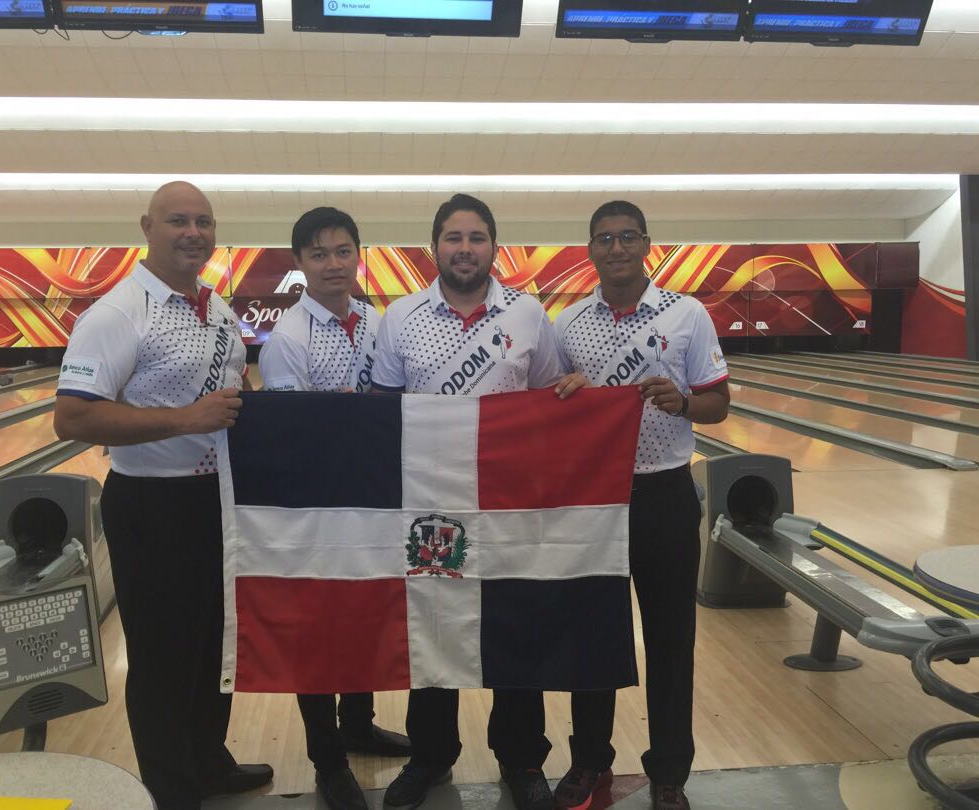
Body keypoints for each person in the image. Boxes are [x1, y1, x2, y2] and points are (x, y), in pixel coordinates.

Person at [53, 180, 273, 810]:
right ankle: (172, 791)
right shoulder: (118, 314)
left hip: (217, 503)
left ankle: (207, 763)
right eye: (178, 220)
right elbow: (72, 418)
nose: (193, 233)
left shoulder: (216, 307)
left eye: (203, 221)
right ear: (146, 226)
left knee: (213, 644)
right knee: (162, 657)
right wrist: (184, 418)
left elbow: (232, 396)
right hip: (153, 506)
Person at [371, 194, 574, 810]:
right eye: (454, 237)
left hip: (508, 504)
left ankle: (521, 759)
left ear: (494, 245)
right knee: (432, 630)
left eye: (477, 237)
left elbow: (550, 401)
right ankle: (430, 754)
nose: (465, 248)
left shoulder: (529, 314)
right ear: (435, 245)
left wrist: (581, 396)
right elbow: (383, 412)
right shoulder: (402, 315)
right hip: (431, 507)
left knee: (515, 626)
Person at [552, 200, 730, 810]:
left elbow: (718, 403)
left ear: (646, 244)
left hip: (665, 494)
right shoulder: (569, 323)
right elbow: (550, 408)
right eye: (605, 238)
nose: (617, 247)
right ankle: (589, 762)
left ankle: (670, 772)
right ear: (591, 250)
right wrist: (568, 394)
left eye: (628, 237)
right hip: (594, 501)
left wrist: (681, 403)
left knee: (671, 639)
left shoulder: (687, 315)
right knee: (593, 637)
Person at [258, 206, 412, 810]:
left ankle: (359, 723)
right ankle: (328, 758)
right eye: (318, 254)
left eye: (343, 251)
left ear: (358, 256)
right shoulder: (287, 342)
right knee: (319, 631)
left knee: (366, 613)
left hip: (372, 499)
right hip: (315, 507)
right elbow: (296, 438)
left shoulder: (377, 324)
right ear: (298, 264)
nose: (332, 264)